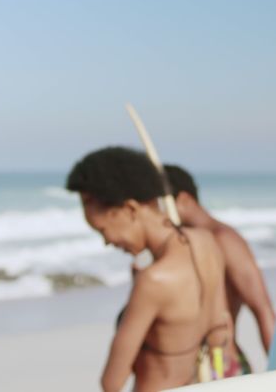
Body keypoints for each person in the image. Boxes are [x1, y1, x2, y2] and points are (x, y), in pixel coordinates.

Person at [67, 147, 243, 392]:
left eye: (103, 230)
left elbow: (112, 381)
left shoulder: (154, 281)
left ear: (130, 209)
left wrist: (134, 301)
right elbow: (218, 331)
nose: (107, 242)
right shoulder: (206, 242)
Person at [164, 163, 276, 361]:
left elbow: (262, 308)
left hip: (221, 364)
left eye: (160, 206)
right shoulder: (181, 244)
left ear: (183, 199)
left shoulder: (224, 239)